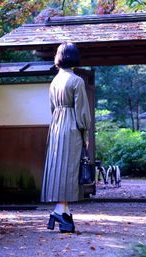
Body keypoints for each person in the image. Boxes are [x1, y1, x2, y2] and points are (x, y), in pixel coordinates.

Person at [41, 42, 91, 233]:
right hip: (71, 127)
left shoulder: (54, 81)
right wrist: (85, 133)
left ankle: (64, 212)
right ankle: (60, 211)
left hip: (56, 127)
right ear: (74, 57)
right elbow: (82, 112)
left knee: (59, 170)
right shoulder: (76, 80)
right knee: (70, 170)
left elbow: (52, 108)